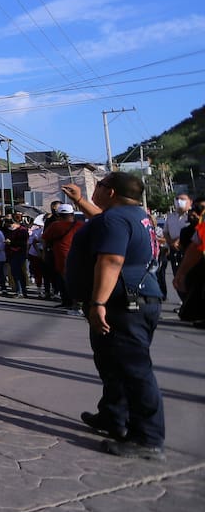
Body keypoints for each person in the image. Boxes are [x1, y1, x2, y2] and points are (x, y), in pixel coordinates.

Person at [67, 173, 165, 461]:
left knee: (134, 371)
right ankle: (113, 416)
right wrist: (81, 201)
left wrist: (98, 302)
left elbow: (111, 260)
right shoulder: (132, 215)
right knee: (112, 364)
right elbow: (101, 220)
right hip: (133, 301)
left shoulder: (116, 220)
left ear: (110, 192)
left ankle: (147, 438)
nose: (93, 190)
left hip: (123, 304)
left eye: (97, 186)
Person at [42, 203, 80, 308]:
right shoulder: (80, 225)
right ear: (72, 214)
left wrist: (44, 254)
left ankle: (69, 302)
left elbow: (45, 239)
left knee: (63, 279)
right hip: (77, 257)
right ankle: (73, 303)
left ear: (59, 215)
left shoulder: (55, 225)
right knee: (74, 280)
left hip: (61, 256)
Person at [3, 213, 30, 297]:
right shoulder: (9, 230)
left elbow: (23, 243)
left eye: (11, 222)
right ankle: (20, 290)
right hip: (11, 254)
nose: (9, 225)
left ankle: (21, 291)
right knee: (15, 273)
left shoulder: (22, 230)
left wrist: (10, 242)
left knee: (18, 273)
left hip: (19, 253)